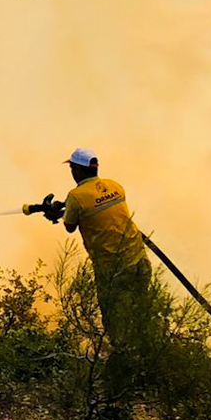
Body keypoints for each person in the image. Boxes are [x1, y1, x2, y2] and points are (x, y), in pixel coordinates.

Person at [39, 148, 155, 355]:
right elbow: (96, 206)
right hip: (139, 260)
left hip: (113, 269)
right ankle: (150, 353)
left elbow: (70, 225)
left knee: (116, 318)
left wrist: (54, 212)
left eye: (72, 168)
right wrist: (64, 206)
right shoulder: (114, 185)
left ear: (77, 170)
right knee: (141, 311)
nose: (71, 171)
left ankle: (124, 362)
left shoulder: (76, 196)